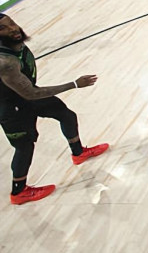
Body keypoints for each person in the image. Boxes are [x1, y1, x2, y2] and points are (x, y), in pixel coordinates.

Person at [0, 14, 109, 205]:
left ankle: (78, 153)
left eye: (12, 23)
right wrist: (74, 84)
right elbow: (31, 93)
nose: (13, 28)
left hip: (25, 96)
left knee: (66, 115)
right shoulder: (5, 62)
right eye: (3, 28)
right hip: (11, 107)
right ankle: (19, 192)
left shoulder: (16, 43)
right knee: (24, 147)